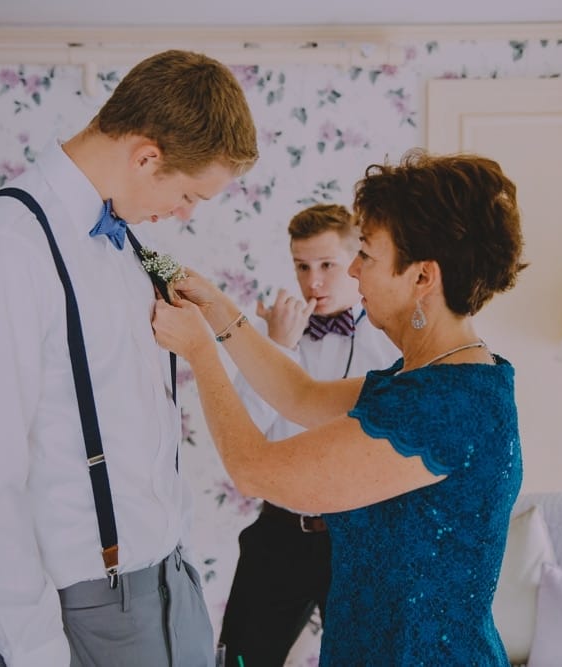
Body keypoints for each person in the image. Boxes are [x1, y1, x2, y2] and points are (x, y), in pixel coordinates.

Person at [0, 49, 258, 667]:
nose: (186, 214)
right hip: (85, 618)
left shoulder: (130, 243)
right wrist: (36, 654)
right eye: (190, 194)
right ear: (146, 156)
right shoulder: (7, 247)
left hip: (176, 591)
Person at [153, 150, 527, 665]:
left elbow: (254, 471)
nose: (352, 271)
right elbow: (301, 395)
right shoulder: (429, 378)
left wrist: (199, 351)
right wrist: (218, 310)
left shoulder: (448, 403)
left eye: (366, 256)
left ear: (422, 278)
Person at [218, 204, 398, 666]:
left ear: (355, 261)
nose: (312, 281)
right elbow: (240, 426)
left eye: (326, 265)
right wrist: (277, 346)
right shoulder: (268, 333)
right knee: (241, 657)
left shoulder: (390, 345)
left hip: (358, 534)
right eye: (302, 266)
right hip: (280, 528)